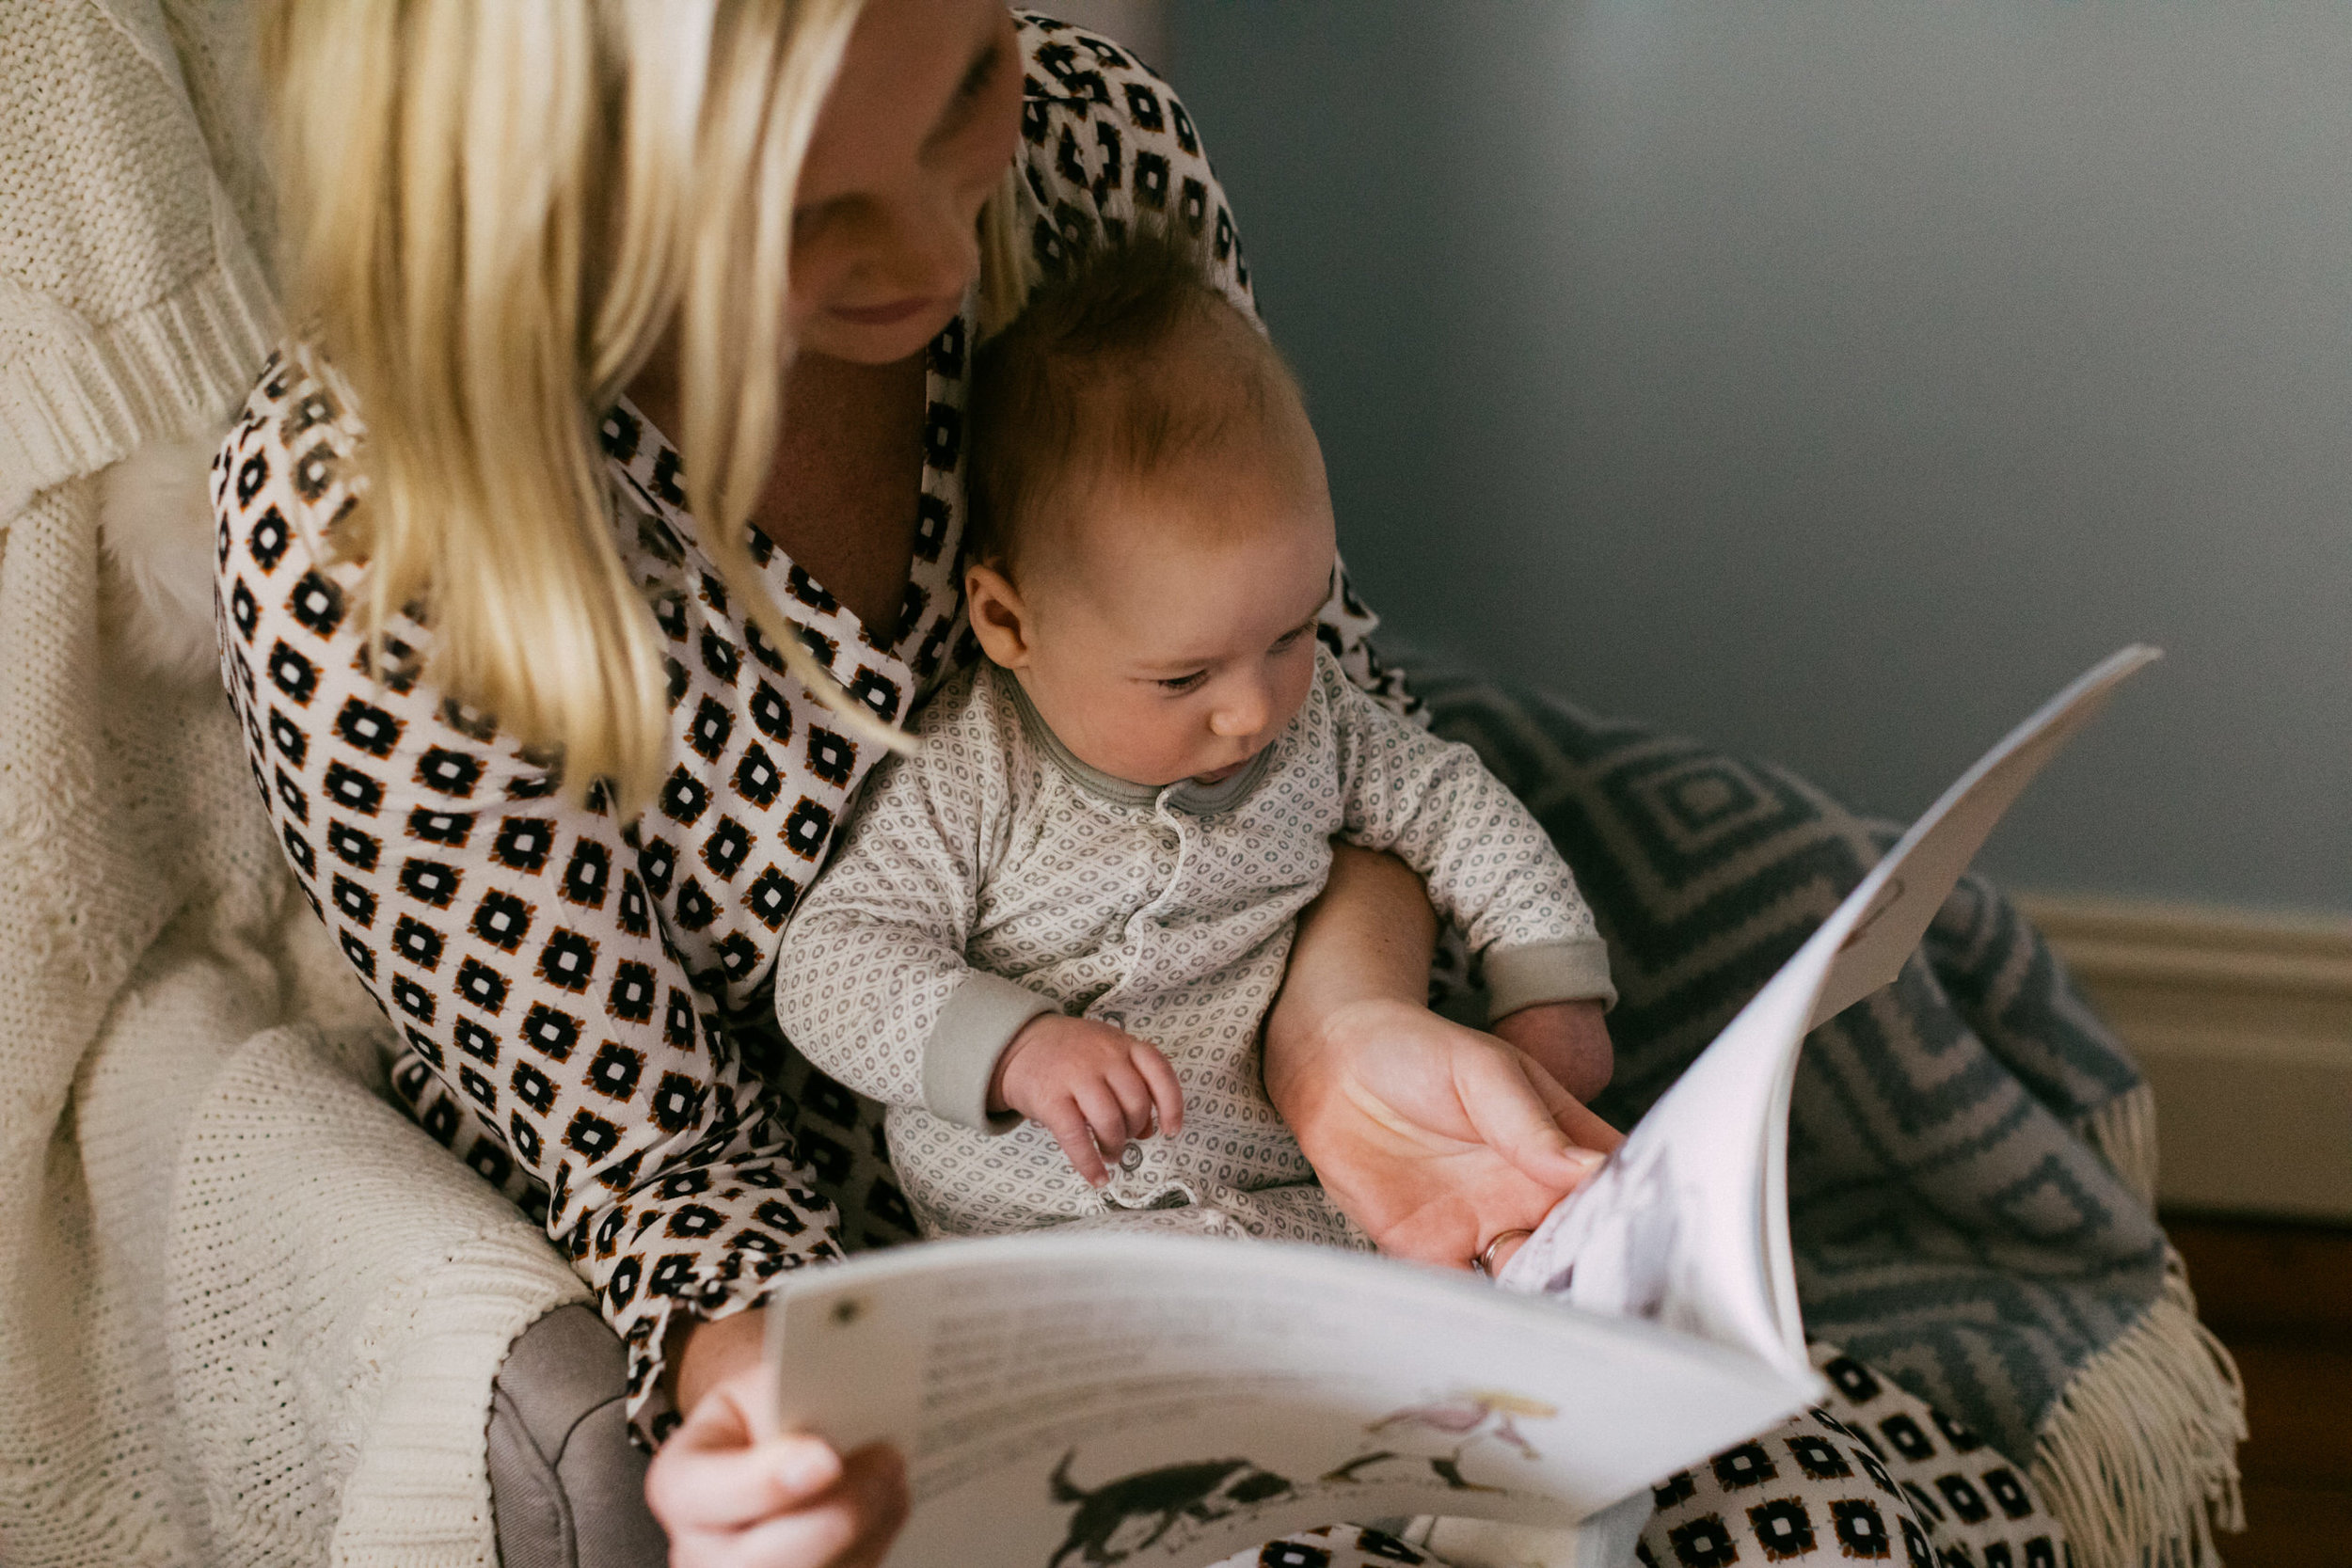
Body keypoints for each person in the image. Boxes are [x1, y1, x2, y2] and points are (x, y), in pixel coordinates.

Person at [224, 5, 2060, 1566]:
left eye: (959, 85)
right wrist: (773, 1405)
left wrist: (1337, 1025)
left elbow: (1322, 715)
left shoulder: (1094, 164)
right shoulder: (367, 535)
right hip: (913, 1290)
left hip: (1283, 1186)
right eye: (795, 212)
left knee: (1789, 1491)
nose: (937, 253)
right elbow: (646, 1156)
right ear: (539, 196)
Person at [775, 230, 1617, 1246]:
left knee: (1477, 1279)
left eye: (1290, 632)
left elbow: (1454, 807)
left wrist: (1547, 977)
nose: (1253, 710)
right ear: (1008, 623)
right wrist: (1015, 1047)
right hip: (1031, 1232)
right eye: (1183, 676)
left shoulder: (1323, 724)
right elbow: (829, 964)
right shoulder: (974, 772)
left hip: (1294, 1199)